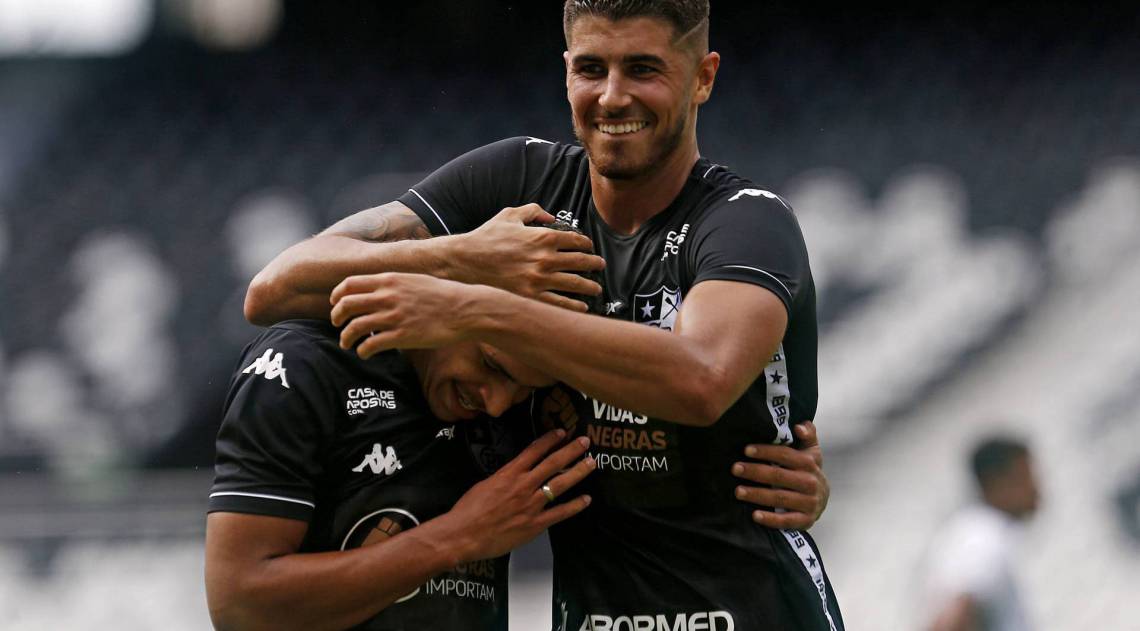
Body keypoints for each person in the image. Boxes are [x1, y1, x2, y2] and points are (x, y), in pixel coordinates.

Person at [245, 1, 842, 628]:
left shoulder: (748, 222)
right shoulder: (516, 183)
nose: (612, 97)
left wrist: (471, 305)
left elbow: (700, 379)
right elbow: (274, 288)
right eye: (591, 68)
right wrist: (462, 256)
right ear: (565, 72)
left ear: (704, 77)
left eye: (643, 69)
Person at [204, 319, 597, 630]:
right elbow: (242, 604)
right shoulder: (302, 364)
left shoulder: (519, 407)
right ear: (442, 299)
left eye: (523, 390)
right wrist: (460, 536)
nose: (496, 404)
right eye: (490, 365)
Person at [923, 436, 1041, 631]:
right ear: (998, 483)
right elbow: (951, 620)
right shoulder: (982, 536)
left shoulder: (977, 532)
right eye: (1026, 478)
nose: (1036, 489)